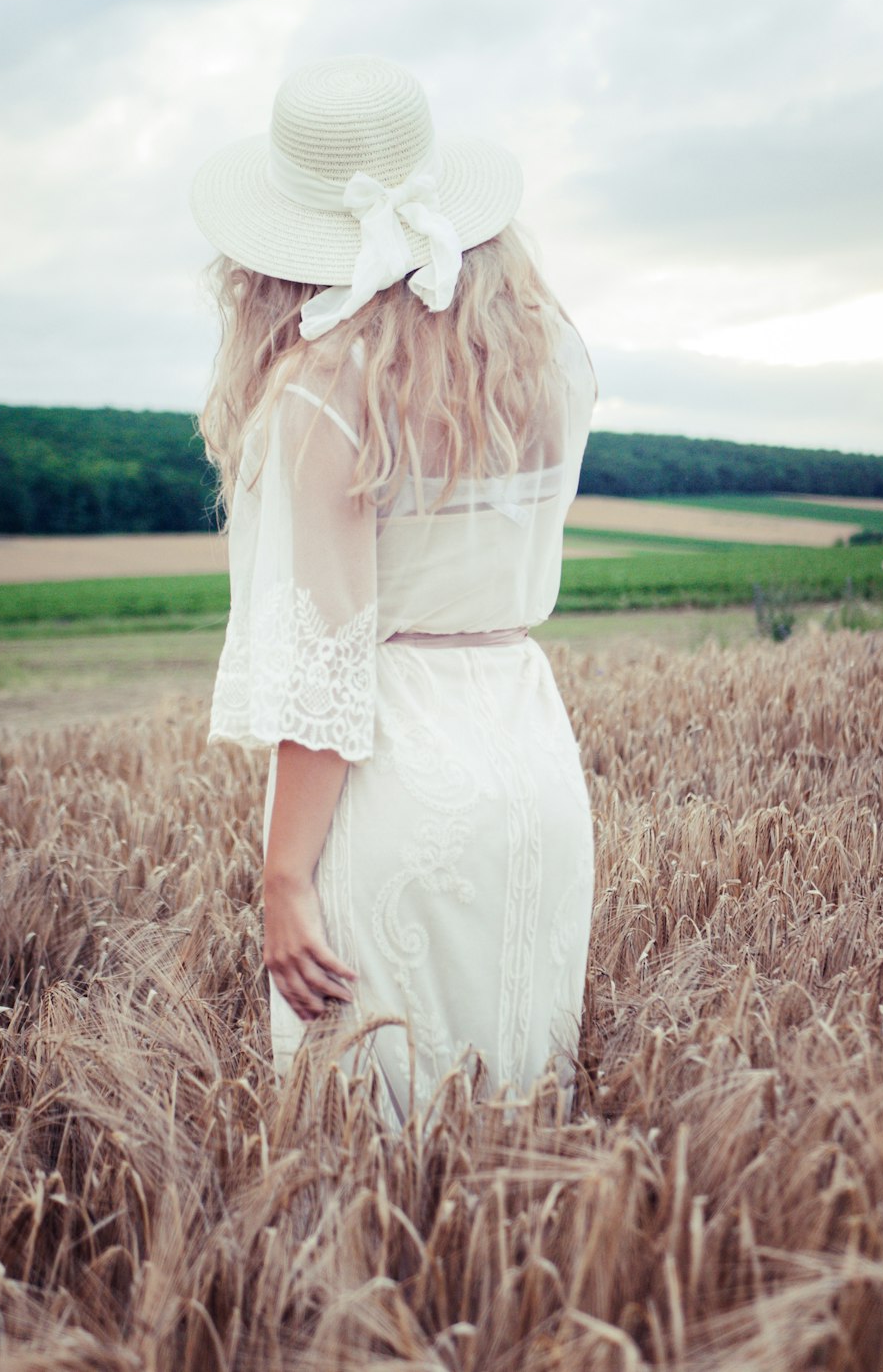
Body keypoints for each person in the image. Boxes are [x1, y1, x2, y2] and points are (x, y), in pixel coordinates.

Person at [191, 54, 597, 1126]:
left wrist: (283, 878)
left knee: (370, 1158)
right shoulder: (546, 362)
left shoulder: (318, 394)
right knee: (521, 1144)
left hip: (394, 781)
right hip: (533, 759)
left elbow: (325, 666)